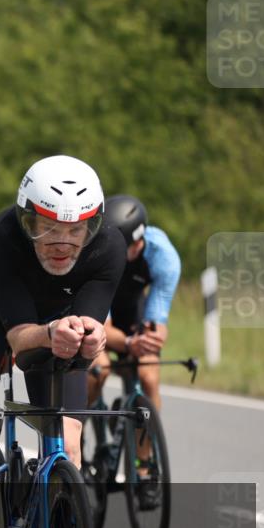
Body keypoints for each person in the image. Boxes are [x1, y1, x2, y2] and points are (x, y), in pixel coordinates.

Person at [0, 155, 125, 528]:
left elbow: (90, 326)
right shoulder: (1, 238)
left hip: (54, 317)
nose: (63, 243)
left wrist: (92, 338)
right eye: (49, 228)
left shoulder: (109, 246)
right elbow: (20, 340)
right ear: (28, 221)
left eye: (76, 229)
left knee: (70, 447)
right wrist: (49, 333)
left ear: (93, 224)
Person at [86, 194, 180, 508]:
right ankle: (78, 431)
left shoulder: (162, 255)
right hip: (101, 318)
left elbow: (158, 322)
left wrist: (146, 341)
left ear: (138, 243)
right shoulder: (96, 257)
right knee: (98, 369)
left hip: (136, 315)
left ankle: (144, 466)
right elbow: (100, 325)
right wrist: (125, 344)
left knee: (149, 377)